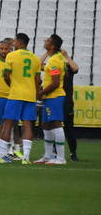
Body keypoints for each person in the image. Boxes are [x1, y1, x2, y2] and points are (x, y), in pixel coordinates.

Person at [0, 32, 41, 164]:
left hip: (15, 95)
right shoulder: (35, 58)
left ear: (20, 42)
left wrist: (12, 85)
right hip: (30, 96)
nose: (13, 43)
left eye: (15, 41)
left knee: (8, 124)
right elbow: (38, 80)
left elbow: (6, 75)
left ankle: (2, 156)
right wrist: (34, 93)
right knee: (28, 126)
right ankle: (26, 158)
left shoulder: (11, 55)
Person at [36, 34, 69, 165]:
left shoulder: (55, 60)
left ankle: (60, 158)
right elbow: (40, 66)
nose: (45, 41)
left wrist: (41, 92)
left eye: (48, 40)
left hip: (55, 96)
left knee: (56, 124)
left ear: (53, 46)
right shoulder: (56, 58)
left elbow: (55, 83)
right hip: (49, 97)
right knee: (46, 125)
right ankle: (48, 156)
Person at [61, 44, 80, 161]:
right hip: (54, 100)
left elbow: (76, 68)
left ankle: (73, 152)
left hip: (67, 101)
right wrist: (47, 53)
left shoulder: (68, 66)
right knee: (54, 127)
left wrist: (67, 56)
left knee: (69, 128)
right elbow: (39, 64)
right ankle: (54, 152)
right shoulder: (52, 65)